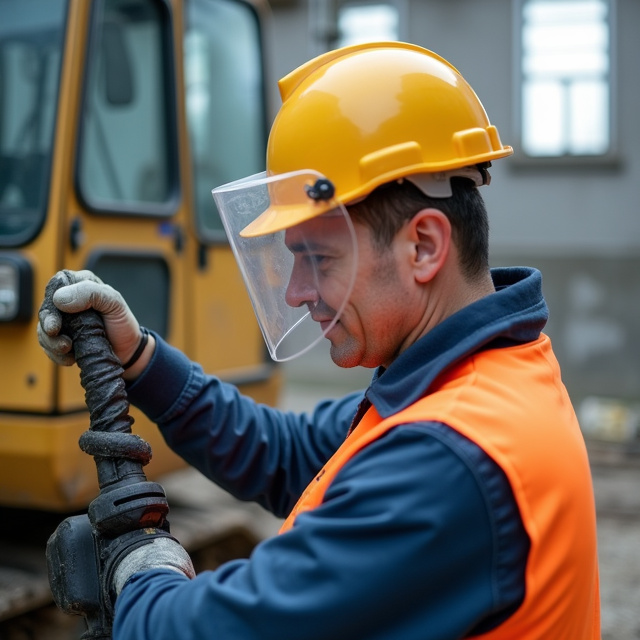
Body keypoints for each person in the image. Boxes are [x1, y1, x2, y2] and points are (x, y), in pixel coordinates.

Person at [38, 42, 600, 639]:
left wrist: (141, 576)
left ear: (425, 247)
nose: (297, 292)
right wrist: (139, 358)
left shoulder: (447, 461)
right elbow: (285, 453)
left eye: (319, 258)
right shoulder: (471, 379)